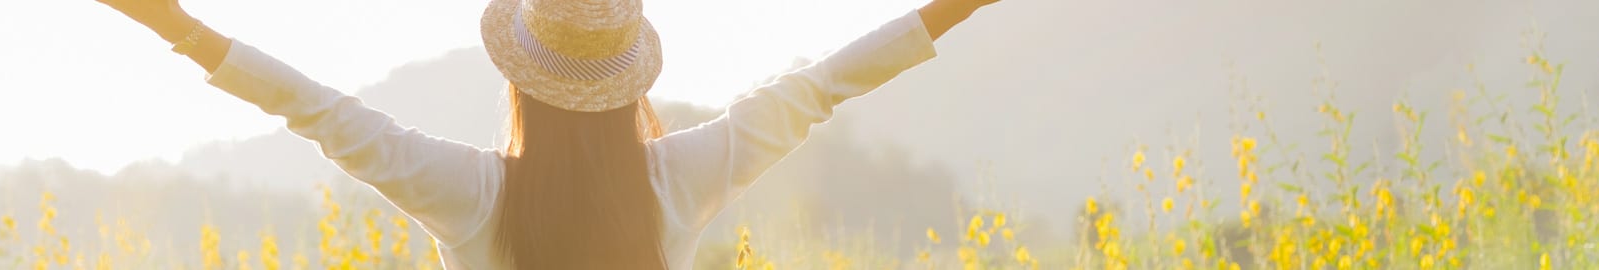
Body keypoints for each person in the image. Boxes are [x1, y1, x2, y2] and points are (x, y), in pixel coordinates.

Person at [95, 0, 996, 268]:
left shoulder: (474, 196)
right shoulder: (676, 181)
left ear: (520, 79)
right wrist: (954, 9)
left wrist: (177, 25)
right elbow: (820, 86)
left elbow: (324, 114)